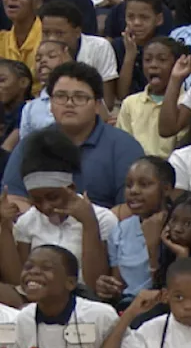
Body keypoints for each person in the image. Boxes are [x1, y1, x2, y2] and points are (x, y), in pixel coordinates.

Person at [2, 62, 144, 208]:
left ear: (97, 105)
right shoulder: (31, 143)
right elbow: (13, 197)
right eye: (61, 96)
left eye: (79, 97)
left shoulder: (124, 146)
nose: (69, 103)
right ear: (50, 104)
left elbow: (132, 207)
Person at [7, 127, 117, 290]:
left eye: (53, 197)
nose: (46, 207)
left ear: (71, 188)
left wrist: (89, 223)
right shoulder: (27, 222)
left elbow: (95, 284)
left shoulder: (103, 219)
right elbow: (20, 283)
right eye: (36, 200)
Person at [98, 156, 174, 304]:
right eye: (128, 185)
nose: (133, 191)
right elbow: (118, 286)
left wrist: (153, 247)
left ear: (166, 189)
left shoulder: (178, 227)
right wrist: (107, 287)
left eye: (144, 184)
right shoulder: (120, 230)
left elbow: (170, 288)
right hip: (128, 305)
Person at [38, 0, 118, 108]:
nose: (52, 38)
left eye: (59, 33)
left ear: (77, 32)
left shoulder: (100, 47)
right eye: (46, 33)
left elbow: (107, 102)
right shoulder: (41, 49)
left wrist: (68, 67)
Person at [112, 0, 174, 104]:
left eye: (144, 17)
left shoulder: (166, 47)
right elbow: (122, 94)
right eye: (130, 17)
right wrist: (130, 55)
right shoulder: (118, 45)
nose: (136, 23)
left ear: (159, 19)